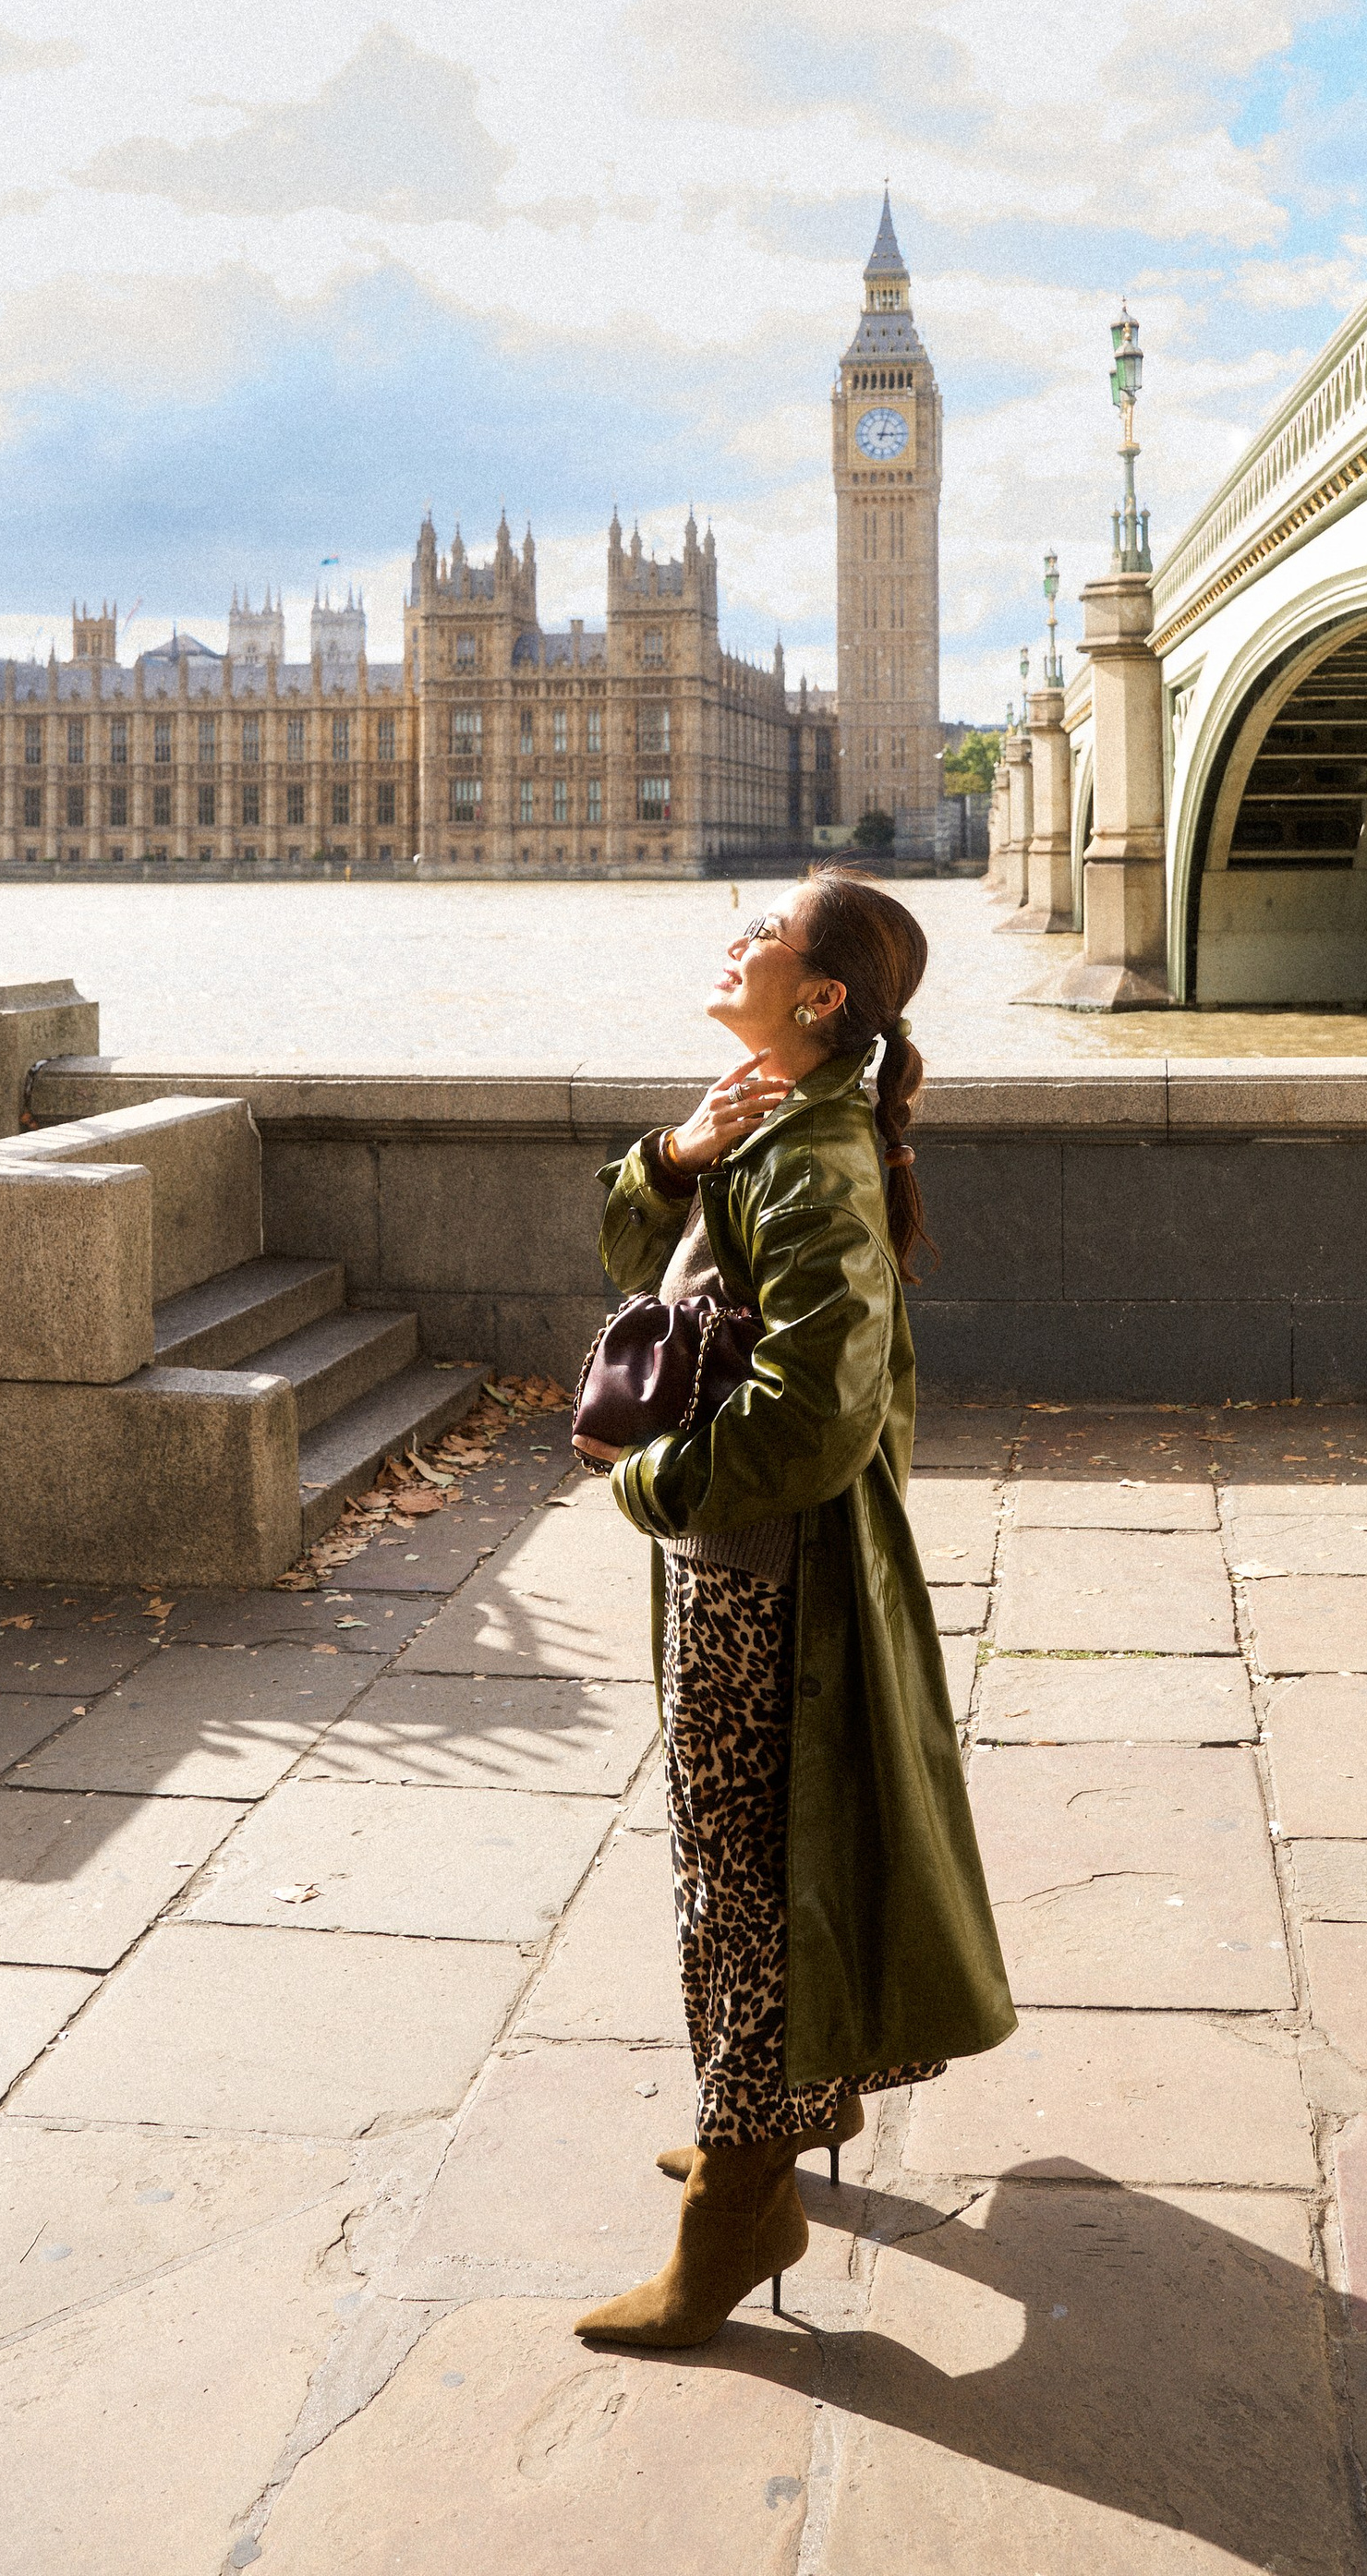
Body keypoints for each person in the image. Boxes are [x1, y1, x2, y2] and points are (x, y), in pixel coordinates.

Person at [572, 869, 1013, 2350]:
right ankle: (750, 2120)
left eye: (764, 933)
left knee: (746, 1887)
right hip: (746, 1558)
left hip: (771, 1580)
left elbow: (812, 1414)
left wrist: (647, 1486)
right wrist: (681, 1152)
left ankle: (741, 2206)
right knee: (741, 1862)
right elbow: (650, 1268)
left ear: (821, 996)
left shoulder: (818, 1160)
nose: (736, 939)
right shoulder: (771, 1122)